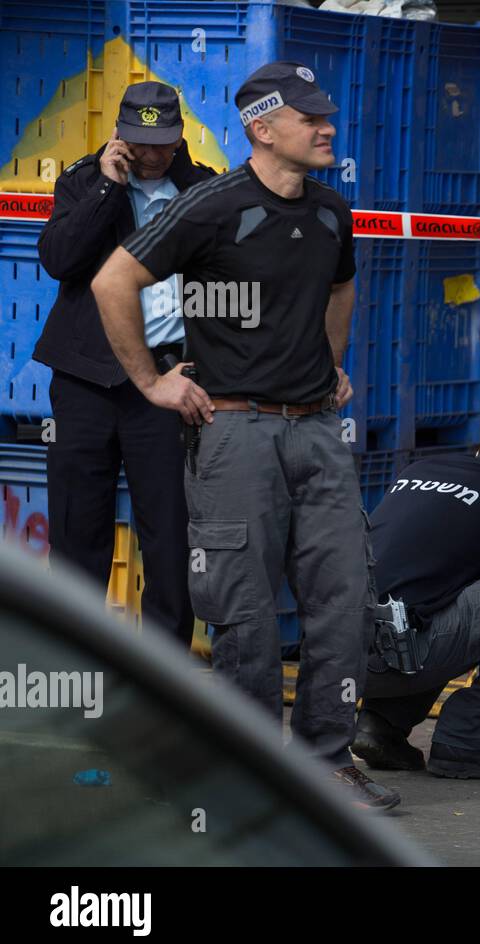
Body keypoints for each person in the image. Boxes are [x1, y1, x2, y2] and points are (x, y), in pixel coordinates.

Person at [90, 62, 397, 811]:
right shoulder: (211, 205)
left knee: (342, 598)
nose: (328, 128)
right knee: (245, 610)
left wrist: (332, 361)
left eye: (328, 116)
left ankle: (328, 760)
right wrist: (153, 383)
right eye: (310, 118)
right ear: (262, 127)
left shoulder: (331, 210)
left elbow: (340, 284)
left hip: (318, 432)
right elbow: (112, 281)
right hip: (233, 432)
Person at [36, 81, 215, 647]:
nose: (151, 154)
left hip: (166, 380)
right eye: (140, 142)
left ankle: (160, 673)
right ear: (118, 134)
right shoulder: (83, 180)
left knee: (169, 535)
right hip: (86, 378)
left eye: (162, 142)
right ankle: (73, 662)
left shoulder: (205, 189)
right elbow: (59, 261)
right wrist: (107, 191)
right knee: (75, 529)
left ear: (180, 134)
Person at [351, 415, 480, 781]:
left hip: (338, 657)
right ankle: (468, 741)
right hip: (396, 659)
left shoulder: (421, 468)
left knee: (433, 595)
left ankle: (380, 726)